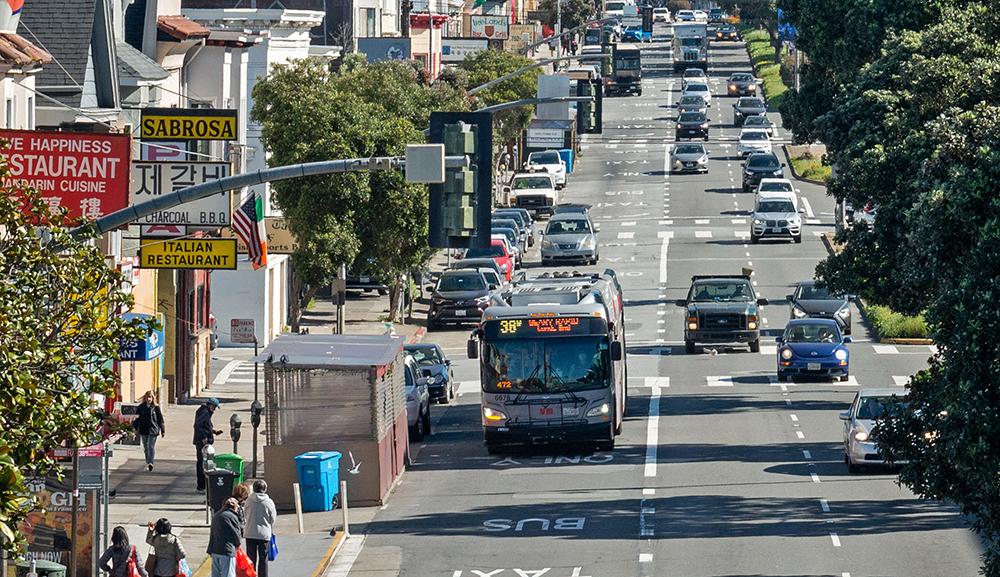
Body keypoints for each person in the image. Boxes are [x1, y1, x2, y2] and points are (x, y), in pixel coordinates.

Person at [244, 480, 277, 577]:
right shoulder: (269, 502)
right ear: (265, 489)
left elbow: (245, 515)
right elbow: (272, 519)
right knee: (263, 559)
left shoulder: (248, 501)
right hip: (264, 534)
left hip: (250, 532)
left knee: (251, 558)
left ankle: (251, 575)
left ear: (253, 489)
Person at [193, 398, 223, 492]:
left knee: (205, 463)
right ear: (210, 405)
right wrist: (203, 437)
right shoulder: (204, 412)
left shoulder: (204, 411)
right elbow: (198, 425)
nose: (214, 410)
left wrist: (214, 432)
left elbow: (206, 426)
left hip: (202, 440)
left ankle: (203, 485)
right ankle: (202, 485)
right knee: (203, 463)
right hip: (202, 442)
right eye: (214, 408)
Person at [207, 498, 243, 577]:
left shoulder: (217, 515)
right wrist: (238, 545)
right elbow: (236, 533)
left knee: (216, 574)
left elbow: (212, 533)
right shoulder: (232, 516)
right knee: (228, 574)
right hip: (227, 550)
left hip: (215, 549)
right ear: (235, 507)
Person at [134, 391, 165, 472]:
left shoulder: (156, 407)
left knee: (150, 446)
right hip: (143, 430)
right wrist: (135, 429)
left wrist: (162, 430)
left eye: (150, 397)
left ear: (153, 398)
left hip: (153, 430)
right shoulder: (141, 407)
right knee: (146, 448)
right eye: (147, 397)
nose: (149, 399)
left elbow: (160, 419)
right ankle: (148, 462)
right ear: (145, 398)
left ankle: (150, 463)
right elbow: (136, 419)